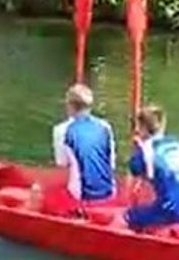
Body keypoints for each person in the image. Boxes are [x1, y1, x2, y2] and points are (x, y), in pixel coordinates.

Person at [27, 84, 116, 217]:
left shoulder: (62, 130)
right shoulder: (105, 126)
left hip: (81, 196)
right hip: (110, 193)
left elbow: (62, 164)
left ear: (70, 106)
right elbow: (110, 161)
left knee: (38, 191)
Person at [123, 105, 179, 231]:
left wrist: (138, 149)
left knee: (129, 216)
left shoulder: (146, 152)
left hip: (172, 209)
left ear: (142, 128)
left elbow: (135, 171)